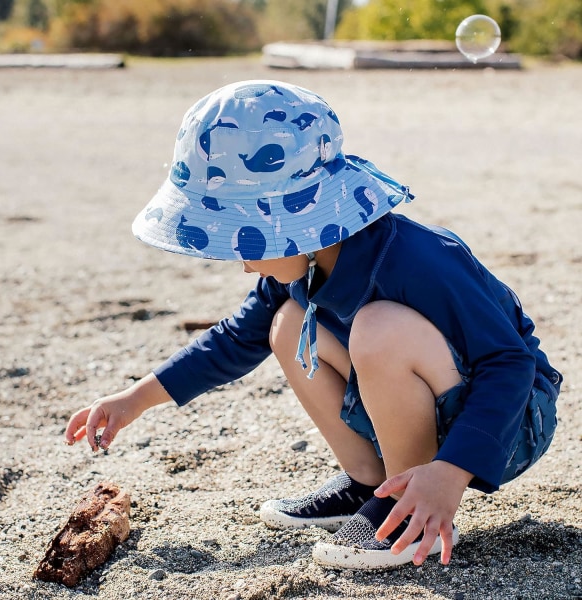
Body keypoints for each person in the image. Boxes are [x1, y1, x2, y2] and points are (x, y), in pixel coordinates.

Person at [64, 80, 562, 570]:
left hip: (508, 421)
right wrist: (134, 399)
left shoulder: (419, 259)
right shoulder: (302, 262)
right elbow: (235, 340)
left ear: (294, 224)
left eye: (248, 244)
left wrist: (450, 473)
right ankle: (371, 482)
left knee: (378, 327)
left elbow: (509, 363)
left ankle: (410, 509)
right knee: (285, 324)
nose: (244, 264)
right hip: (435, 401)